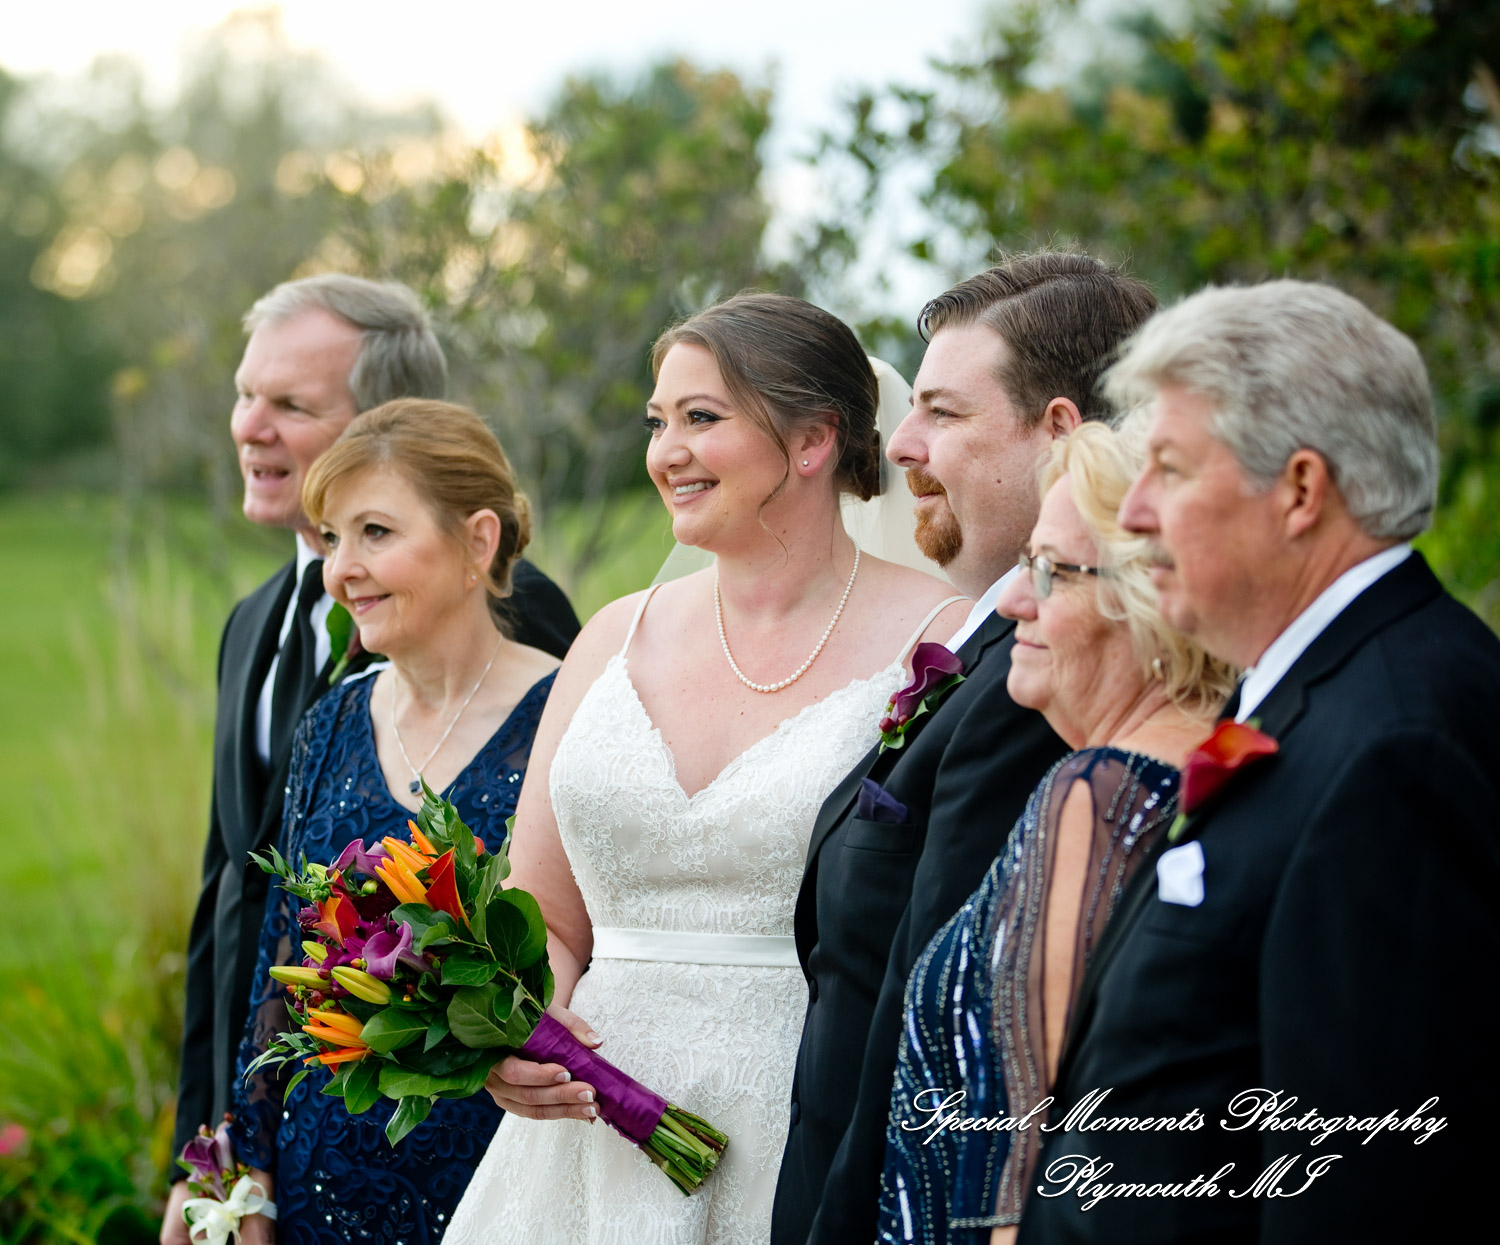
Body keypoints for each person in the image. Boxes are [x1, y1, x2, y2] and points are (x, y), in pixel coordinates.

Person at [443, 292, 970, 1245]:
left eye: (702, 418)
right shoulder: (611, 638)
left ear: (813, 440)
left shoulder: (939, 641)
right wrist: (525, 1024)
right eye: (658, 422)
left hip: (799, 1120)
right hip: (589, 1139)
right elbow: (546, 913)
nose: (665, 452)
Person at [1018, 281, 1500, 1244]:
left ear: (1300, 491)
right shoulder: (1315, 687)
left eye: (1170, 468)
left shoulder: (1400, 742)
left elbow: (1363, 1181)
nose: (1138, 511)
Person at [166, 276, 579, 1242]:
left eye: (292, 405)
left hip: (491, 1164)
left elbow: (570, 926)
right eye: (244, 394)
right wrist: (222, 1162)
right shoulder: (259, 631)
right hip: (311, 1155)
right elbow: (244, 913)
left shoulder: (554, 666)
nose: (250, 426)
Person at [775, 252, 1159, 1245]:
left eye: (942, 413)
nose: (902, 443)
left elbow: (944, 1029)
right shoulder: (985, 642)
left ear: (1061, 434)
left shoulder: (1045, 685)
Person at [877, 417, 1236, 1243]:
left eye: (1050, 570)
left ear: (1153, 597)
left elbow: (1032, 1142)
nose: (1011, 599)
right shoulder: (1212, 765)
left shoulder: (1103, 795)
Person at [230, 400, 561, 1242]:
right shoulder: (331, 722)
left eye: (375, 531)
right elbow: (283, 965)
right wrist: (250, 1178)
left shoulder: (572, 710)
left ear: (478, 541)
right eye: (334, 538)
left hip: (509, 1175)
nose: (343, 569)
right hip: (322, 1180)